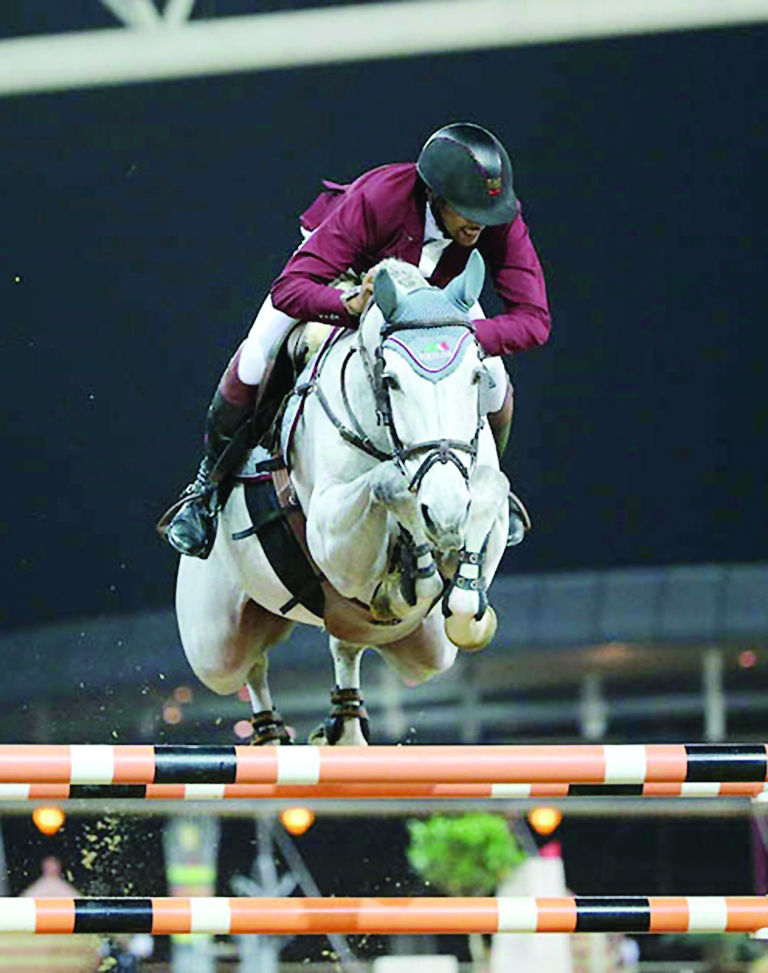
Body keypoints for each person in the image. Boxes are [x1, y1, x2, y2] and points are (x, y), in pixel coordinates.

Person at [162, 122, 551, 559]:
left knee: (494, 381)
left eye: (488, 212)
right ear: (435, 197)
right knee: (257, 356)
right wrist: (349, 304)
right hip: (347, 272)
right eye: (468, 210)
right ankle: (206, 491)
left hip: (435, 295)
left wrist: (452, 333)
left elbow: (534, 321)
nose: (481, 223)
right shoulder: (378, 200)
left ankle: (487, 486)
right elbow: (290, 289)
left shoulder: (496, 216)